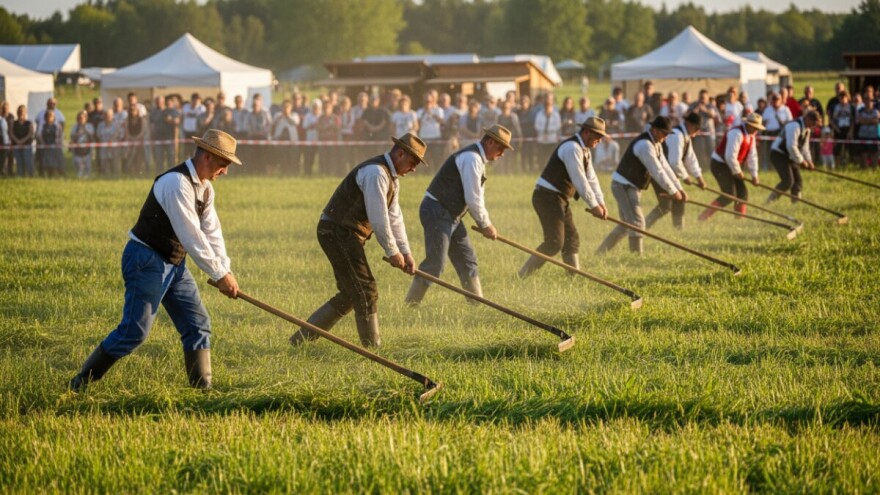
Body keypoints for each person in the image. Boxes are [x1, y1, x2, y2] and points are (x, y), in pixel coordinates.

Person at [69, 129, 242, 392]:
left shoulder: (206, 190)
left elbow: (212, 233)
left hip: (174, 265)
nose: (225, 171)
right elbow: (191, 236)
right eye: (223, 163)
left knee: (198, 325)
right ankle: (79, 383)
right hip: (146, 260)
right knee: (133, 333)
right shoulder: (176, 183)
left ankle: (203, 391)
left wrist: (225, 270)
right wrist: (219, 275)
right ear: (207, 156)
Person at [288, 134, 428, 348]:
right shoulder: (376, 173)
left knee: (351, 294)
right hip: (337, 232)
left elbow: (394, 217)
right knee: (365, 289)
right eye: (413, 162)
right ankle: (373, 350)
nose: (414, 169)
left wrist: (406, 252)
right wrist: (392, 252)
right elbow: (379, 218)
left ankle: (299, 342)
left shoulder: (392, 179)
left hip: (344, 233)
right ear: (401, 154)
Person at [404, 125, 514, 305]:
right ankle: (410, 305)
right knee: (435, 264)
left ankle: (477, 306)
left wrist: (483, 222)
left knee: (467, 260)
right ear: (490, 142)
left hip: (451, 214)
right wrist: (485, 224)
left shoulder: (478, 159)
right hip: (437, 210)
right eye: (501, 148)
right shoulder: (471, 158)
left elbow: (477, 197)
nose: (502, 153)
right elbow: (473, 198)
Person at [517, 117, 609, 279]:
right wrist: (593, 205)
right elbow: (580, 180)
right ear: (586, 133)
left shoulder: (585, 151)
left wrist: (601, 202)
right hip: (546, 197)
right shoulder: (572, 148)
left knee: (571, 239)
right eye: (597, 136)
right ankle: (521, 276)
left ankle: (573, 278)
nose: (600, 140)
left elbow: (591, 178)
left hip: (558, 198)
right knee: (554, 242)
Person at [596, 116, 685, 255]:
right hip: (623, 186)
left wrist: (679, 187)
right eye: (664, 133)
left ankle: (601, 252)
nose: (666, 137)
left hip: (631, 186)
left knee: (626, 223)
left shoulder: (656, 144)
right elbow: (657, 171)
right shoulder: (645, 145)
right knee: (636, 221)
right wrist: (673, 191)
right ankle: (636, 256)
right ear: (655, 130)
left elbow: (665, 167)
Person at [645, 112, 705, 230]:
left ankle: (678, 228)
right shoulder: (677, 136)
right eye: (696, 129)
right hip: (659, 173)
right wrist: (685, 176)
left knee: (679, 200)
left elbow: (690, 158)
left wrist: (699, 178)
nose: (697, 132)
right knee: (665, 205)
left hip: (669, 174)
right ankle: (642, 227)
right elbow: (674, 161)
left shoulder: (685, 137)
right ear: (690, 125)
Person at [698, 113, 764, 220]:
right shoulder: (736, 133)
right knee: (729, 194)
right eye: (755, 127)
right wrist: (737, 171)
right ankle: (703, 217)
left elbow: (753, 156)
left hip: (733, 166)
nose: (756, 130)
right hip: (720, 165)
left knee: (742, 193)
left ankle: (739, 220)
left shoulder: (751, 136)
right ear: (749, 125)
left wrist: (754, 175)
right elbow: (729, 156)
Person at [766, 110, 820, 203]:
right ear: (808, 119)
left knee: (798, 181)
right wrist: (801, 161)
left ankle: (796, 203)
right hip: (778, 154)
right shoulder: (794, 126)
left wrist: (809, 161)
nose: (814, 126)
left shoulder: (807, 130)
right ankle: (770, 201)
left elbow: (805, 148)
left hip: (790, 155)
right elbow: (791, 146)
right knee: (788, 181)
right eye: (814, 123)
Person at [10, 105, 35, 177]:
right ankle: (20, 176)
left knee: (28, 161)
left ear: (25, 112)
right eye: (20, 111)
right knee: (19, 162)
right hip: (16, 145)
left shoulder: (29, 123)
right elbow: (11, 133)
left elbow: (30, 133)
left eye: (23, 111)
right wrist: (17, 141)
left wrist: (22, 141)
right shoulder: (14, 123)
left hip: (27, 145)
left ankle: (31, 176)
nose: (21, 112)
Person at [38, 109, 64, 177]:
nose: (49, 117)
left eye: (51, 116)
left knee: (54, 162)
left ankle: (53, 175)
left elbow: (60, 136)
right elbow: (39, 135)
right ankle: (44, 175)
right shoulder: (43, 126)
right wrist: (43, 143)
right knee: (45, 162)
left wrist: (57, 143)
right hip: (45, 147)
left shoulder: (57, 126)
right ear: (45, 117)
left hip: (54, 147)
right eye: (48, 116)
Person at [70, 110, 95, 178]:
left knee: (88, 167)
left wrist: (85, 130)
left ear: (86, 118)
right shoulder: (75, 127)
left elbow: (92, 137)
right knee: (78, 166)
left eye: (83, 118)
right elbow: (72, 137)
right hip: (77, 151)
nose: (81, 119)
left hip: (87, 150)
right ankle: (79, 177)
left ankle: (87, 177)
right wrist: (77, 133)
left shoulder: (89, 126)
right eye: (80, 118)